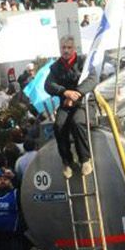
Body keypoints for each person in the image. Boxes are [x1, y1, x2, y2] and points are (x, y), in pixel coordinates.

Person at [45, 38, 91, 177]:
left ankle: (85, 159)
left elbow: (92, 79)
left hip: (83, 102)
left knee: (78, 122)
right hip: (65, 103)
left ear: (74, 48)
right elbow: (48, 85)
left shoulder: (84, 62)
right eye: (63, 47)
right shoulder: (56, 67)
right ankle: (67, 161)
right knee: (59, 125)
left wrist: (76, 95)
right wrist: (64, 92)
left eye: (69, 47)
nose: (66, 50)